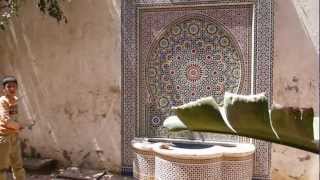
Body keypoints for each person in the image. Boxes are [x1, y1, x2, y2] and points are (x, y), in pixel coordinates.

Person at [0, 75, 26, 180]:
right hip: (4, 137)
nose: (12, 89)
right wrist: (18, 126)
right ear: (3, 89)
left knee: (18, 166)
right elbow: (6, 120)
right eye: (9, 86)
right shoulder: (2, 101)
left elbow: (14, 117)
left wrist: (18, 127)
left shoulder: (15, 100)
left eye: (14, 86)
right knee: (2, 168)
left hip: (14, 136)